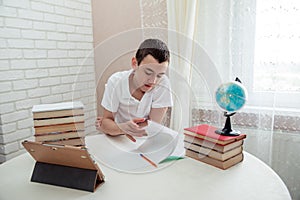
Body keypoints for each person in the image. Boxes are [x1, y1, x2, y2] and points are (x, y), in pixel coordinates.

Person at [95, 38, 173, 138]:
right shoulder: (115, 82)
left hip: (146, 139)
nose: (153, 81)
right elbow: (106, 122)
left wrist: (113, 127)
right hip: (118, 139)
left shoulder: (163, 83)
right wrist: (121, 128)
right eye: (148, 72)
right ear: (134, 63)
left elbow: (153, 126)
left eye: (159, 75)